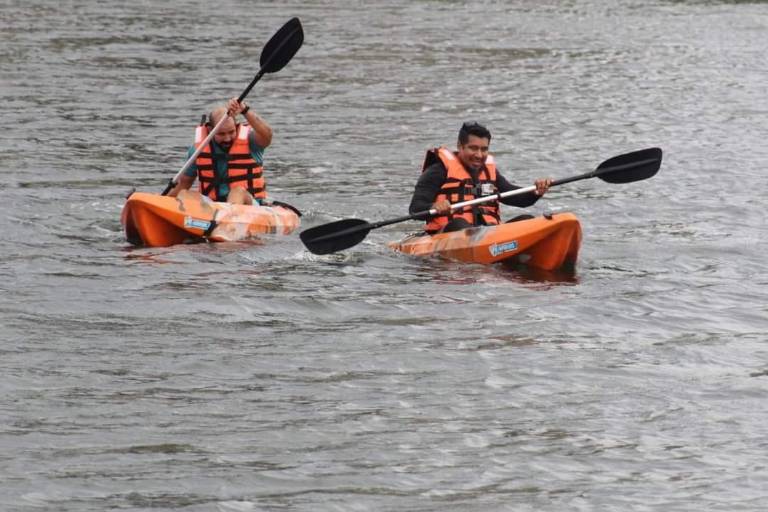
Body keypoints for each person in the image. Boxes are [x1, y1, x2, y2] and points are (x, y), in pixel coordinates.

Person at [408, 121, 553, 234]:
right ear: (460, 146)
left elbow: (514, 197)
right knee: (460, 224)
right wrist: (434, 207)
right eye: (473, 148)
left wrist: (536, 191)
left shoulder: (490, 172)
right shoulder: (438, 170)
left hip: (487, 233)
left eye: (484, 149)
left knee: (527, 220)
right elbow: (415, 209)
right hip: (449, 234)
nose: (479, 155)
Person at [168, 97, 273, 205]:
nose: (227, 138)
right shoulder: (198, 150)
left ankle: (228, 218)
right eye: (221, 134)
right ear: (210, 130)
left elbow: (267, 135)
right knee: (185, 194)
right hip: (214, 206)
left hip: (250, 204)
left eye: (231, 132)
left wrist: (245, 110)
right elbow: (184, 184)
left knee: (237, 192)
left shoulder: (251, 142)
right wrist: (160, 202)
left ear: (236, 127)